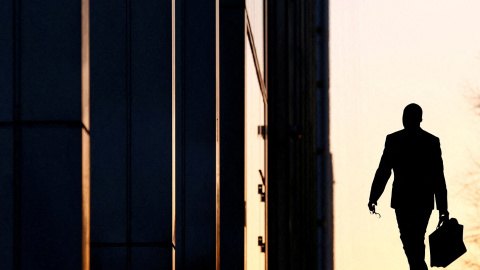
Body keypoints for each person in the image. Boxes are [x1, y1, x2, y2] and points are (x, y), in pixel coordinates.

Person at [368, 103, 449, 270]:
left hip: (404, 201)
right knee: (414, 241)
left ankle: (419, 268)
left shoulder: (395, 140)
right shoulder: (430, 142)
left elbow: (384, 171)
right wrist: (442, 208)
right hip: (420, 201)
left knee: (410, 241)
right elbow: (438, 178)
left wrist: (374, 197)